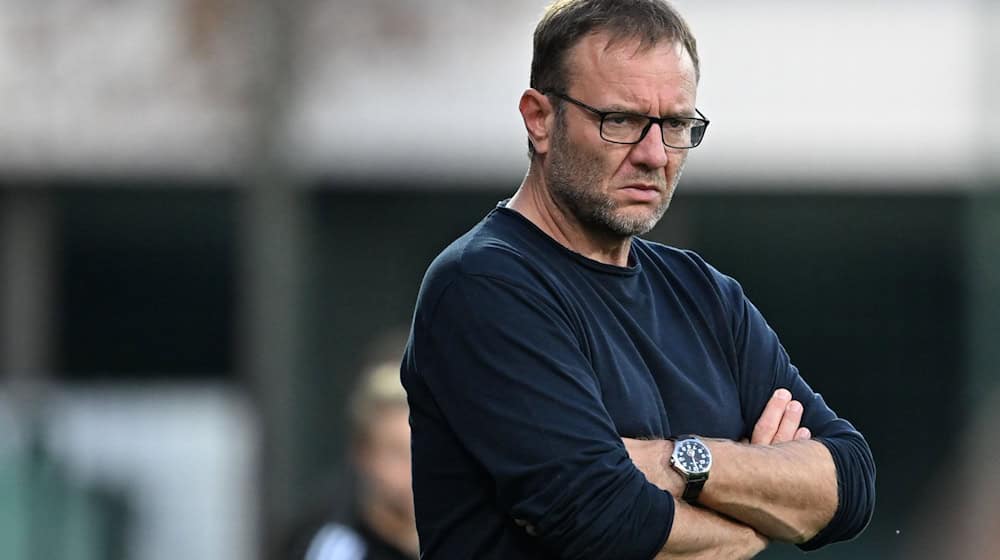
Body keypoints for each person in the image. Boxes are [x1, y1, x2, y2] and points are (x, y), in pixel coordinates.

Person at [401, 1, 876, 558]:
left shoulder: (705, 294)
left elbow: (851, 484)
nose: (654, 155)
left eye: (676, 124)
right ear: (540, 119)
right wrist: (757, 517)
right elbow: (602, 518)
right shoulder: (485, 284)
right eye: (620, 120)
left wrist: (682, 462)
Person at [285, 360, 418, 560]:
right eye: (395, 452)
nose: (411, 467)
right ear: (362, 455)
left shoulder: (459, 541)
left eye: (416, 450)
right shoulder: (338, 549)